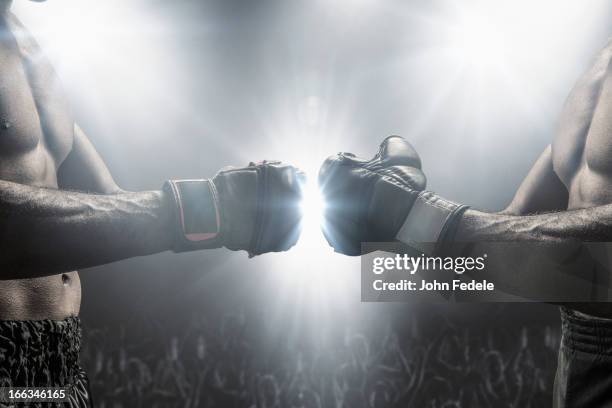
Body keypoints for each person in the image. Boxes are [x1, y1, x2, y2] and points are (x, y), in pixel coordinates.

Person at [0, 1, 303, 406]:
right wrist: (219, 208)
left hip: (59, 351)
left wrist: (269, 201)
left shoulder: (31, 43)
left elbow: (112, 204)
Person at [319, 39, 612, 407]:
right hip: (578, 348)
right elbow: (511, 228)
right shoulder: (599, 67)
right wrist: (396, 234)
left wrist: (412, 215)